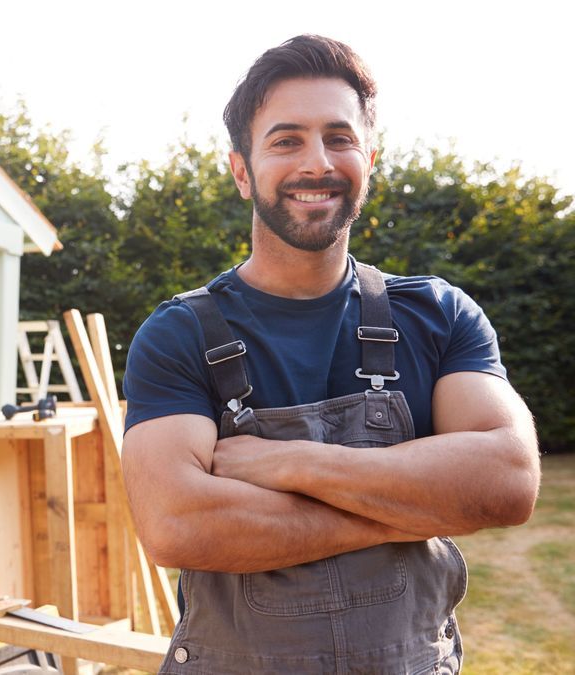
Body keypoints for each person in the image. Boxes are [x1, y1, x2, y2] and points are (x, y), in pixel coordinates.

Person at [120, 35, 540, 674]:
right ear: (241, 170)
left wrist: (291, 463)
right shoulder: (178, 335)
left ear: (369, 158)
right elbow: (178, 525)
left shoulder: (437, 315)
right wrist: (405, 509)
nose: (317, 162)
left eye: (338, 138)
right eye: (286, 140)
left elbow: (508, 480)